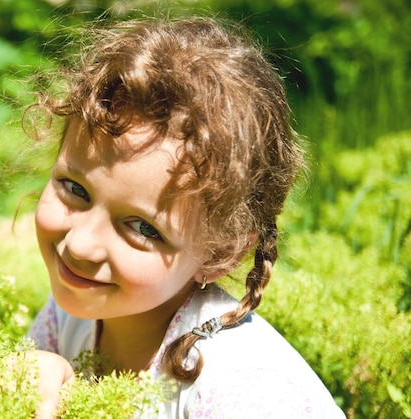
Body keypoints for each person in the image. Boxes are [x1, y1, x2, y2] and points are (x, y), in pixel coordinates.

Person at [24, 16, 346, 418]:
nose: (80, 245)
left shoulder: (248, 391)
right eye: (75, 190)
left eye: (144, 228)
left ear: (221, 254)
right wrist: (39, 372)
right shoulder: (67, 314)